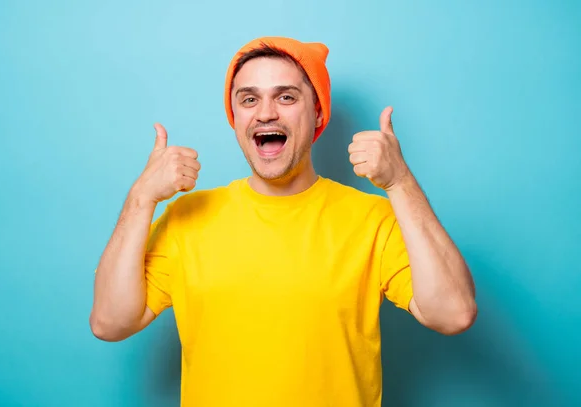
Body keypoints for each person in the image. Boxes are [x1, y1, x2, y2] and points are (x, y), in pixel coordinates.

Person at [90, 36, 477, 407]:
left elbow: (455, 313)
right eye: (249, 99)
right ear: (235, 116)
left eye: (286, 97)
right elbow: (110, 322)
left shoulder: (373, 219)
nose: (265, 113)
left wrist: (400, 182)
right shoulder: (186, 219)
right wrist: (141, 198)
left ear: (318, 113)